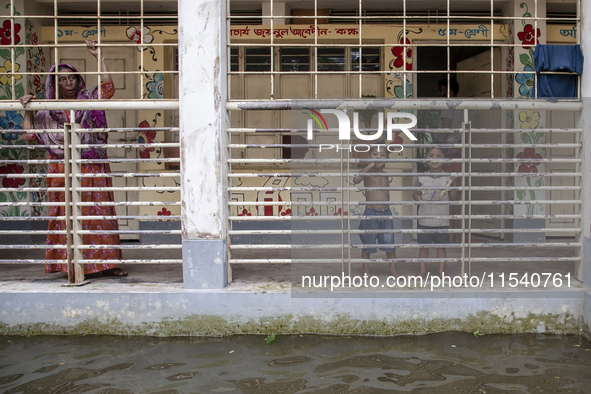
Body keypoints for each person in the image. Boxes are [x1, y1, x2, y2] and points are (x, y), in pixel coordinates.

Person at [19, 40, 126, 277]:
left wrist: (100, 56)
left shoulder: (88, 100)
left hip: (91, 166)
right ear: (54, 83)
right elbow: (29, 135)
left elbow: (108, 89)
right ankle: (70, 266)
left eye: (72, 78)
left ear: (79, 80)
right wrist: (29, 108)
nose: (68, 83)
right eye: (62, 79)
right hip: (61, 169)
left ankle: (106, 265)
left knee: (97, 212)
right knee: (66, 215)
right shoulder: (47, 109)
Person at [412, 146, 458, 278]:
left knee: (441, 247)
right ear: (426, 159)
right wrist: (417, 197)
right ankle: (422, 271)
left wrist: (454, 183)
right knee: (424, 247)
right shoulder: (421, 177)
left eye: (439, 156)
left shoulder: (448, 178)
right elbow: (414, 192)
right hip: (424, 219)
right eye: (431, 155)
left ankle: (442, 272)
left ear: (445, 159)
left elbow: (454, 196)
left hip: (442, 219)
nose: (434, 159)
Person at [353, 145, 398, 277]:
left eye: (383, 155)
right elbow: (355, 180)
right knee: (368, 242)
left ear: (387, 159)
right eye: (375, 154)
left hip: (386, 213)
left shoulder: (385, 175)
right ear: (369, 157)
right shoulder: (368, 173)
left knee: (390, 243)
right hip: (371, 213)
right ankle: (366, 270)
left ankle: (393, 270)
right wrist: (369, 165)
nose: (378, 157)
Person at [436, 77, 463, 243]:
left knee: (449, 196)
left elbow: (444, 133)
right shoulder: (462, 106)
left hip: (450, 155)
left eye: (440, 90)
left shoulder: (448, 106)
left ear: (448, 91)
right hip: (460, 154)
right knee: (456, 196)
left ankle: (451, 234)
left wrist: (435, 148)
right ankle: (456, 234)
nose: (439, 94)